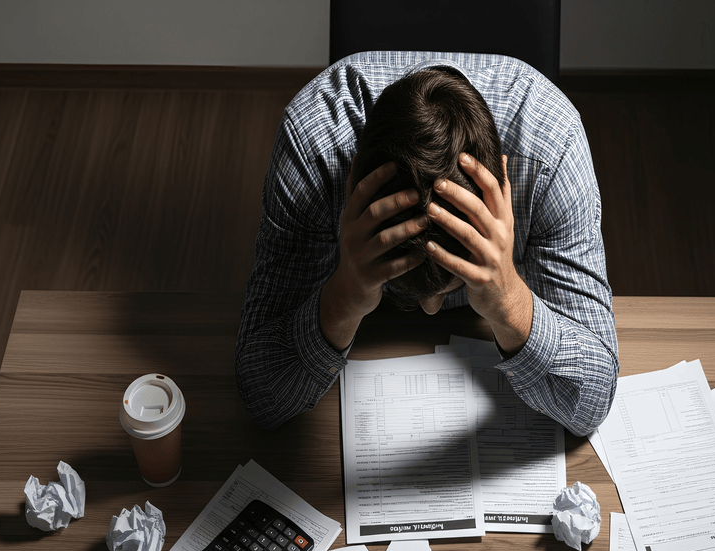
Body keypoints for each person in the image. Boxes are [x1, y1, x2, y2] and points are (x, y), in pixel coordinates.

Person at [236, 51, 618, 436]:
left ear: (504, 186)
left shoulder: (553, 145)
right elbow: (261, 396)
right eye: (406, 288)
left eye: (452, 284)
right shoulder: (311, 144)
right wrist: (344, 295)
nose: (431, 310)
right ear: (350, 184)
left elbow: (593, 401)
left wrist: (509, 300)